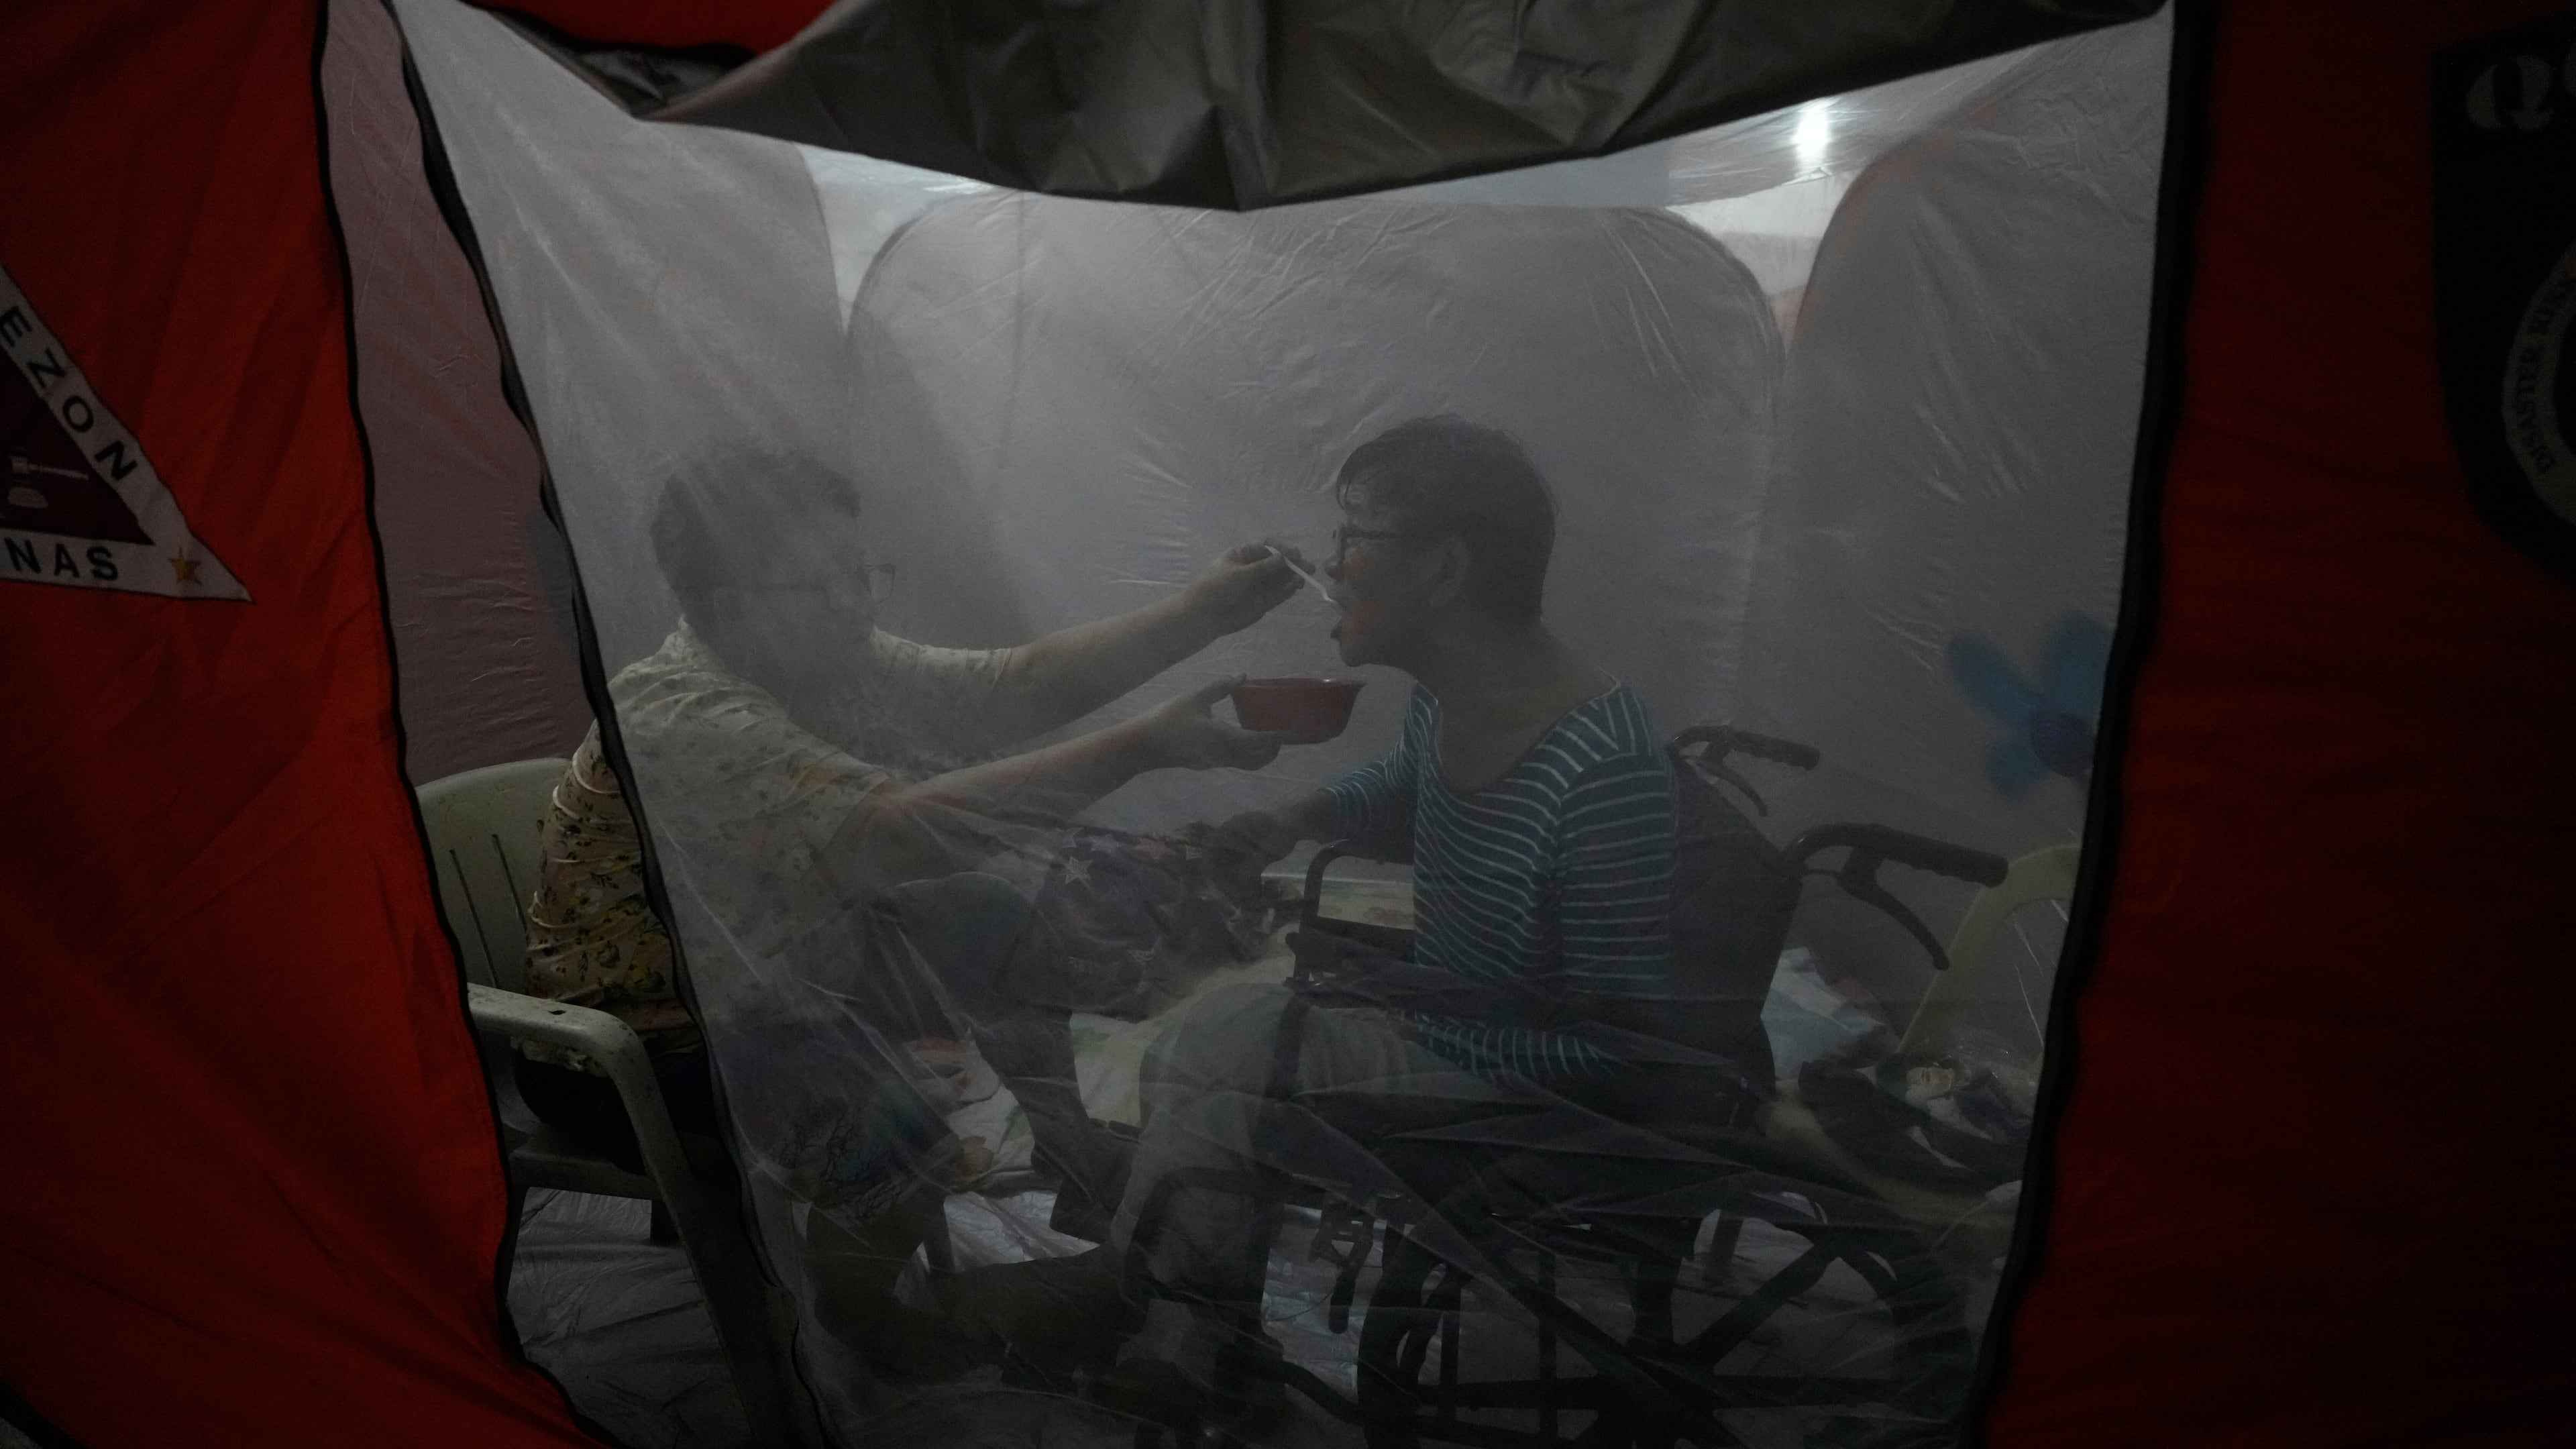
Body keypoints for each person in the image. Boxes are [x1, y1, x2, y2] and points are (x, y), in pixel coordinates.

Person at [513, 445, 1305, 1370]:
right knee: (897, 1115)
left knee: (989, 912)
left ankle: (1082, 1165)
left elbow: (1014, 688)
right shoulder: (681, 716)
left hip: (782, 968)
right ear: (727, 607)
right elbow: (895, 834)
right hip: (634, 1042)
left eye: (863, 575)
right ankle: (868, 1318)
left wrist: (1204, 611)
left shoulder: (829, 661)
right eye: (827, 586)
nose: (860, 604)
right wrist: (1143, 746)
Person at [1106, 416, 1682, 1415]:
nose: (1330, 566)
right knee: (1208, 1043)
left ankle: (1146, 1316)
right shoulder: (1461, 695)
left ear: (1444, 568)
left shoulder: (1602, 770)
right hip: (1451, 1016)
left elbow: (1619, 1049)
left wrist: (1417, 1024)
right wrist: (1296, 815)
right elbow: (1408, 785)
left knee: (1229, 1044)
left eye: (1353, 537)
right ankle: (1195, 1330)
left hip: (1517, 1079)